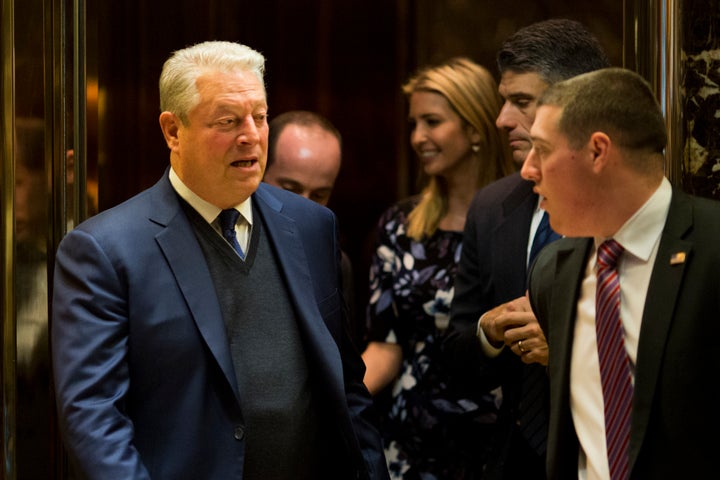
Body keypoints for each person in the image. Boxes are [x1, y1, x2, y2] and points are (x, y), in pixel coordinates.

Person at [51, 40, 389, 480]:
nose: (250, 134)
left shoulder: (311, 226)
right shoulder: (104, 250)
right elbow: (94, 418)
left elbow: (345, 386)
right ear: (173, 131)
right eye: (228, 121)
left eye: (260, 117)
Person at [525, 66, 720, 479]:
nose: (528, 169)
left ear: (598, 151)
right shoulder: (552, 273)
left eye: (541, 149)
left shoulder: (713, 248)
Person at [442, 19, 610, 480]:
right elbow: (456, 356)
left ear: (574, 102)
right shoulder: (492, 206)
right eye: (503, 100)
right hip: (513, 457)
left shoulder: (623, 205)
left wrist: (563, 346)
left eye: (521, 102)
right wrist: (491, 334)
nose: (501, 120)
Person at [362, 57, 514, 479]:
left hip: (496, 443)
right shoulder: (401, 224)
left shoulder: (525, 219)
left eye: (432, 122)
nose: (418, 137)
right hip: (410, 444)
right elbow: (384, 347)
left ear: (475, 127)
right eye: (414, 124)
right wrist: (334, 401)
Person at [263, 110, 360, 347]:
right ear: (259, 174)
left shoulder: (335, 264)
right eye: (290, 189)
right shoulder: (227, 248)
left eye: (318, 195)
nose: (303, 207)